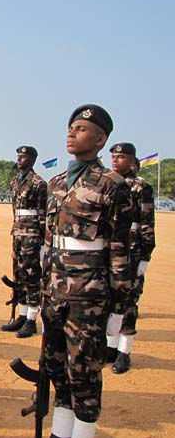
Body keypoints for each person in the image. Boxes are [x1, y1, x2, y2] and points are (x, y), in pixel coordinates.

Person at [42, 105, 132, 438]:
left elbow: (120, 250)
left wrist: (119, 308)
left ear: (100, 139)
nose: (71, 132)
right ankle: (60, 431)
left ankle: (83, 433)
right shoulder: (56, 182)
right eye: (70, 127)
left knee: (84, 371)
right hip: (54, 290)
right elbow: (49, 241)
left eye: (80, 128)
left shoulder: (112, 184)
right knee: (55, 366)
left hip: (89, 294)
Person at [107, 143, 155, 374]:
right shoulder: (108, 182)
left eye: (122, 157)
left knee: (128, 302)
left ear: (132, 160)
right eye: (114, 156)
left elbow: (147, 222)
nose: (116, 160)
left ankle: (124, 352)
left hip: (132, 248)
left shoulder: (141, 187)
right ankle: (110, 347)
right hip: (109, 247)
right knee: (109, 298)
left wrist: (145, 255)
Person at [1, 146, 47, 338]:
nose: (20, 159)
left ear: (33, 159)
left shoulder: (39, 183)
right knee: (18, 275)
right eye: (18, 156)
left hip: (32, 235)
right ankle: (21, 315)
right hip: (18, 233)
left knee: (32, 277)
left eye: (24, 156)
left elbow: (44, 214)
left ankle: (31, 319)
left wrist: (43, 242)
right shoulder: (15, 181)